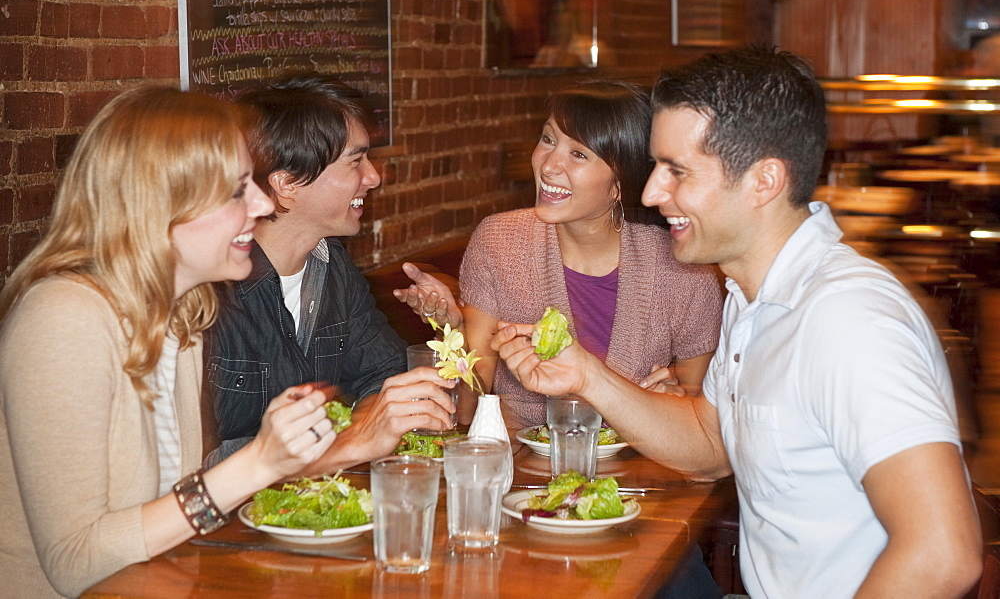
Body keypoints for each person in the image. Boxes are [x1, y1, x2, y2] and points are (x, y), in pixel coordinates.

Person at [492, 48, 983, 597]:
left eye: (677, 171)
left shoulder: (848, 319)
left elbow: (943, 553)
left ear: (764, 181)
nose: (652, 194)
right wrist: (586, 376)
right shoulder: (750, 298)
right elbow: (712, 443)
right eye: (656, 167)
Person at [0, 87, 344, 597]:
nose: (263, 203)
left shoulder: (183, 314)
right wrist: (260, 463)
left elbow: (167, 512)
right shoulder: (64, 316)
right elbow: (75, 563)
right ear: (160, 206)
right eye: (236, 190)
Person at [395, 80, 723, 428]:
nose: (548, 165)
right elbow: (468, 409)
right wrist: (453, 332)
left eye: (578, 154)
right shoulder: (499, 242)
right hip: (523, 469)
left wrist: (676, 401)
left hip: (634, 473)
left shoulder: (683, 272)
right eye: (548, 139)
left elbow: (702, 424)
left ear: (619, 184)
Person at [204, 72, 454, 471]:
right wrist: (349, 443)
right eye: (355, 161)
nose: (373, 177)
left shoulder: (331, 265)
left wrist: (357, 434)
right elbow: (197, 461)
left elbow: (384, 379)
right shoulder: (209, 292)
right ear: (287, 184)